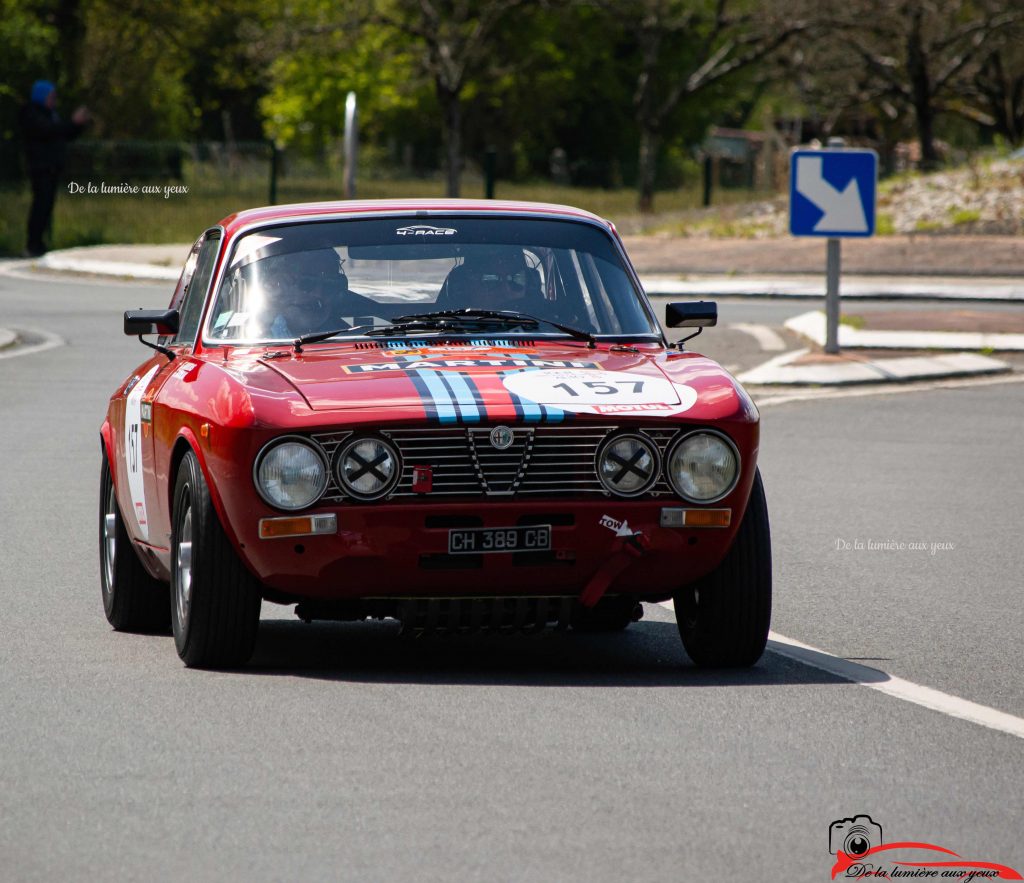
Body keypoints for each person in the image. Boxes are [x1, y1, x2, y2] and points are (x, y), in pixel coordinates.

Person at [19, 80, 89, 256]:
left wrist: (77, 125)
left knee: (46, 207)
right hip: (40, 168)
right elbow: (51, 131)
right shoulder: (32, 113)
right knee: (40, 207)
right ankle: (32, 244)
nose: (53, 100)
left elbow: (64, 134)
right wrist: (72, 122)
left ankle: (40, 243)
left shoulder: (51, 114)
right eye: (51, 96)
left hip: (52, 169)